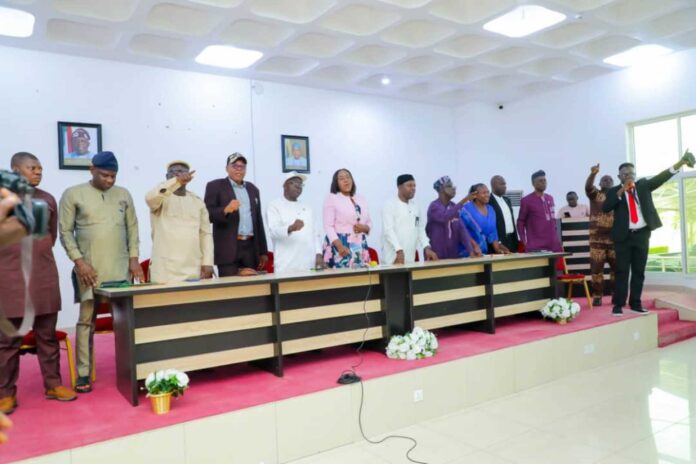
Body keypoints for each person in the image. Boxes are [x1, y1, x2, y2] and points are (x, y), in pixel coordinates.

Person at [59, 151, 144, 393]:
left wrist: (135, 259)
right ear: (91, 169)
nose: (109, 180)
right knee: (87, 321)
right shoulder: (73, 194)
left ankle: (131, 370)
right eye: (105, 175)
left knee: (128, 321)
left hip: (121, 270)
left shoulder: (123, 194)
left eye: (113, 176)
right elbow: (65, 233)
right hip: (90, 271)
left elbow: (133, 228)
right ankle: (83, 374)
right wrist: (80, 263)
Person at [0, 153, 77, 414]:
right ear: (15, 170)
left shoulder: (47, 199)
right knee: (9, 341)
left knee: (47, 336)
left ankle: (53, 385)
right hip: (9, 279)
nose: (38, 172)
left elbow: (51, 236)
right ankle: (6, 394)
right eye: (32, 168)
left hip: (43, 277)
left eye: (40, 168)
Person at [602, 151, 695, 316]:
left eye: (632, 173)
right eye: (625, 174)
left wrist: (680, 163)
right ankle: (618, 305)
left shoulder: (643, 185)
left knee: (639, 271)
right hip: (623, 238)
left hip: (641, 235)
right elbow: (606, 207)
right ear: (619, 176)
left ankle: (636, 303)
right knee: (622, 271)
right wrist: (621, 191)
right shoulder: (613, 191)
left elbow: (662, 177)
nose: (629, 176)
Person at [146, 161, 213, 283]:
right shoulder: (159, 198)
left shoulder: (197, 202)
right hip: (164, 272)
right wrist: (176, 182)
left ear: (189, 176)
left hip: (193, 270)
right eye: (172, 172)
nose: (177, 173)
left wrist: (207, 262)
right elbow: (149, 198)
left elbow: (205, 234)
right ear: (167, 177)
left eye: (181, 171)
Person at [204, 153, 268, 277]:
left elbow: (258, 221)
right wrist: (225, 210)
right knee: (231, 289)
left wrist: (263, 251)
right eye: (235, 166)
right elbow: (207, 215)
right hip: (227, 248)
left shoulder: (253, 189)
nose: (239, 170)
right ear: (226, 168)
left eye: (242, 167)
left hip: (250, 247)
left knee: (252, 288)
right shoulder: (215, 186)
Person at [267, 172, 323, 273]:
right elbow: (273, 232)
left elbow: (316, 234)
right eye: (294, 183)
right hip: (287, 265)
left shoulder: (308, 208)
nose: (298, 186)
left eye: (300, 184)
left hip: (308, 263)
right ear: (284, 185)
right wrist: (290, 228)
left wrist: (318, 255)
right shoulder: (274, 206)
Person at [382, 174, 437, 265]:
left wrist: (427, 247)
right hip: (393, 258)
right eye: (409, 185)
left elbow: (420, 229)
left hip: (409, 259)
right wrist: (398, 250)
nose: (413, 188)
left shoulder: (415, 207)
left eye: (414, 185)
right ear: (399, 187)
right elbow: (388, 231)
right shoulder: (390, 205)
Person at [322, 168, 372, 268]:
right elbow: (328, 226)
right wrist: (339, 246)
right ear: (336, 183)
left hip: (359, 243)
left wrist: (366, 228)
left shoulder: (361, 198)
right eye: (341, 178)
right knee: (341, 280)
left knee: (361, 278)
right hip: (340, 244)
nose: (346, 180)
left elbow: (369, 221)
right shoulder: (332, 198)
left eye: (348, 177)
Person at [426, 176, 480, 259]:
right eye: (449, 186)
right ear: (441, 190)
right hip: (436, 256)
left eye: (453, 185)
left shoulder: (453, 206)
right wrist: (464, 200)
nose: (453, 188)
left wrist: (471, 252)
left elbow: (462, 230)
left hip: (453, 256)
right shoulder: (434, 207)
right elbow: (445, 217)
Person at [585, 164, 616, 306]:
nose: (607, 181)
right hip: (597, 240)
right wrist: (593, 174)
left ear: (614, 183)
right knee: (597, 270)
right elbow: (587, 187)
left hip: (615, 240)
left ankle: (616, 294)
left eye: (610, 180)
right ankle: (597, 295)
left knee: (617, 270)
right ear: (599, 183)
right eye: (604, 180)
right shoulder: (595, 194)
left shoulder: (618, 195)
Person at [517, 170, 562, 252]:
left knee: (554, 265)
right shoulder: (526, 200)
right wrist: (523, 240)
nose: (543, 182)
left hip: (553, 244)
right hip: (536, 246)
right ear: (533, 184)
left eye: (545, 180)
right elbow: (520, 222)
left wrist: (557, 240)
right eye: (540, 181)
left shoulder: (550, 198)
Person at [460, 183, 510, 255]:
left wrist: (497, 249)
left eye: (488, 192)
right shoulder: (465, 210)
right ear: (475, 195)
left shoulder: (491, 209)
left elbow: (493, 232)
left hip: (482, 252)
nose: (487, 195)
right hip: (467, 252)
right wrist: (474, 246)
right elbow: (461, 231)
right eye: (484, 193)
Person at [489, 175, 519, 252]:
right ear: (493, 185)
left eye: (505, 184)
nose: (505, 186)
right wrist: (497, 242)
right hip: (498, 242)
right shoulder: (488, 202)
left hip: (512, 240)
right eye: (502, 184)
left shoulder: (507, 200)